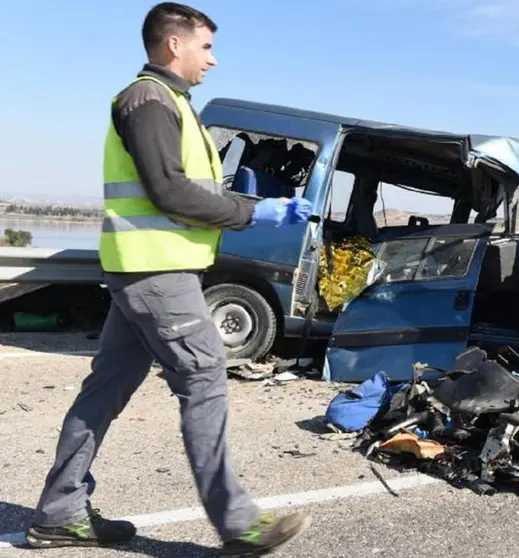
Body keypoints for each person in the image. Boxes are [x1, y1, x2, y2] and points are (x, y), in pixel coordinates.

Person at [25, 3, 313, 554]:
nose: (213, 59)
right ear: (173, 45)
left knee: (105, 389)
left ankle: (60, 512)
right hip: (156, 271)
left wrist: (252, 204)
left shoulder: (171, 102)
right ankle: (238, 524)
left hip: (148, 268)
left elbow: (187, 188)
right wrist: (253, 214)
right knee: (204, 379)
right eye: (205, 46)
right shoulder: (148, 99)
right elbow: (170, 191)